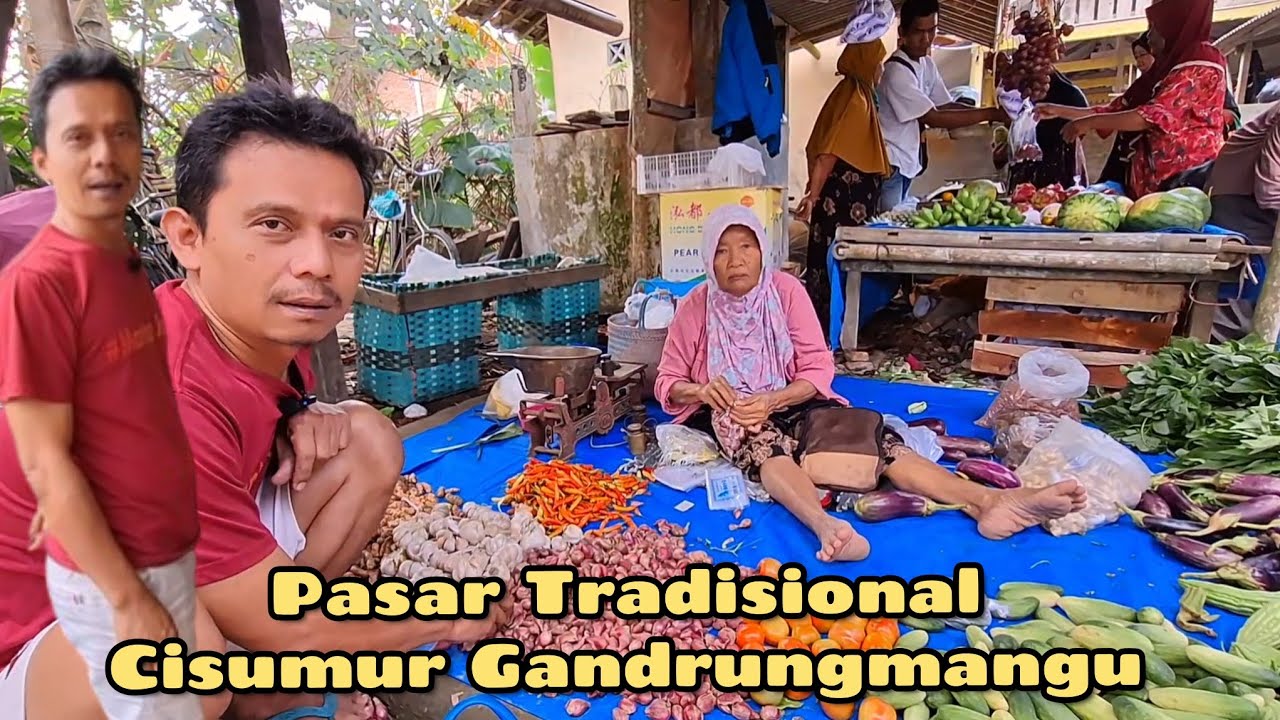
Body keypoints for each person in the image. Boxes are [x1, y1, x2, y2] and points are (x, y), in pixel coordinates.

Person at [0, 81, 512, 720]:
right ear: (188, 237)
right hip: (41, 639)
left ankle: (259, 662)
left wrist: (299, 412)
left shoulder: (256, 322)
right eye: (275, 225)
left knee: (366, 437)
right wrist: (438, 625)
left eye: (343, 233)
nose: (316, 263)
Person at [654, 205, 1087, 563]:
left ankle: (989, 502)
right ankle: (828, 527)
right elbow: (667, 381)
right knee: (761, 444)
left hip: (793, 397)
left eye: (746, 246)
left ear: (762, 251)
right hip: (737, 413)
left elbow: (818, 369)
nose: (736, 260)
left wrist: (775, 399)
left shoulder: (784, 291)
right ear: (709, 259)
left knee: (874, 443)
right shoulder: (696, 306)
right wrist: (701, 390)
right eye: (723, 251)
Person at [0, 48, 207, 719]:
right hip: (94, 591)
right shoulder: (36, 284)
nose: (104, 156)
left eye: (120, 133)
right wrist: (127, 599)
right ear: (43, 161)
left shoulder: (118, 260)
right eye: (78, 138)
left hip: (155, 548)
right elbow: (46, 463)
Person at [1040, 1, 1228, 198]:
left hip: (1184, 185)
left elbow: (1152, 116)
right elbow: (1115, 110)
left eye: (1154, 27)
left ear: (1173, 27)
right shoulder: (1162, 71)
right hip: (1151, 189)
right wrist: (1057, 111)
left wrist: (1088, 123)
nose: (1148, 36)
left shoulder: (1203, 58)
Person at [796, 39, 892, 338]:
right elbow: (829, 152)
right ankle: (831, 331)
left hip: (844, 201)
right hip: (841, 203)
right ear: (864, 62)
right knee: (837, 261)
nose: (881, 69)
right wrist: (812, 195)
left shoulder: (858, 94)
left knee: (838, 261)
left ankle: (834, 326)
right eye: (878, 62)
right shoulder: (855, 101)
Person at [877, 0, 1008, 212]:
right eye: (919, 32)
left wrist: (991, 114)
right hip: (892, 162)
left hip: (909, 162)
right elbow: (933, 117)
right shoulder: (896, 73)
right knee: (886, 226)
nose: (926, 39)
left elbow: (947, 104)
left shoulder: (926, 64)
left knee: (897, 221)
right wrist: (991, 113)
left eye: (932, 31)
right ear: (902, 32)